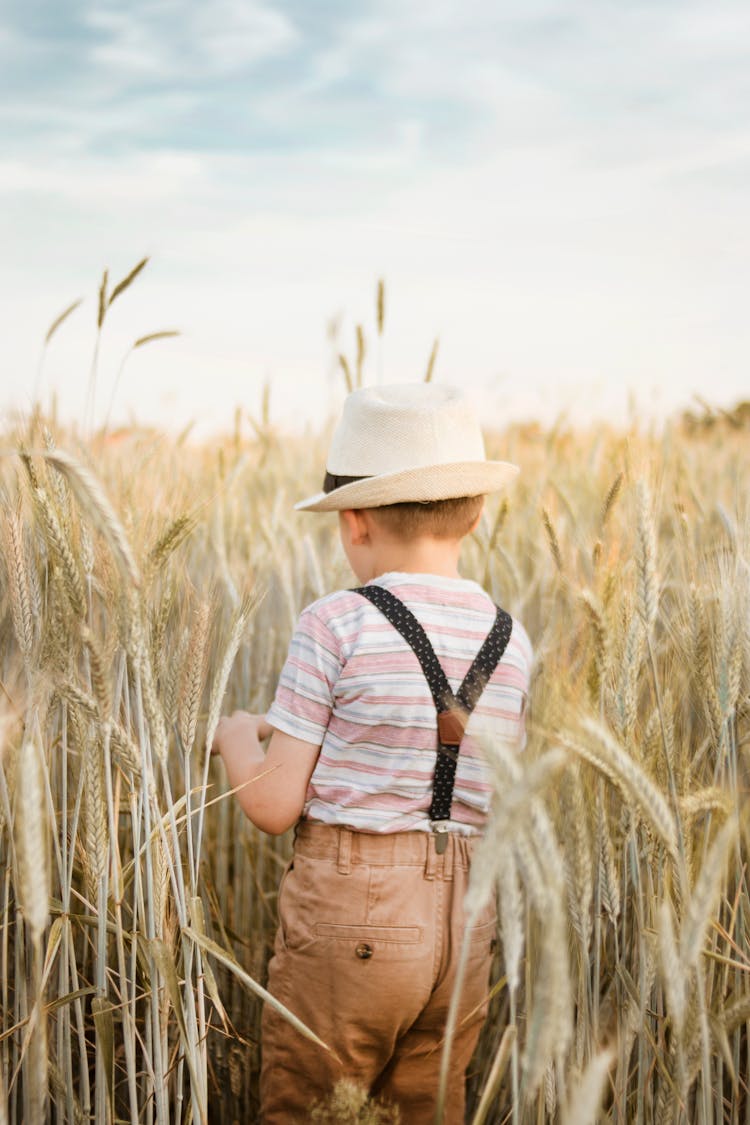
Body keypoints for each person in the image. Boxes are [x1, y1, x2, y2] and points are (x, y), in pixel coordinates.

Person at [212, 383, 532, 1124]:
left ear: (352, 522)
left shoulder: (336, 623)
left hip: (353, 917)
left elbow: (271, 804)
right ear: (476, 512)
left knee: (315, 1105)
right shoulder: (512, 641)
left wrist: (235, 741)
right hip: (466, 924)